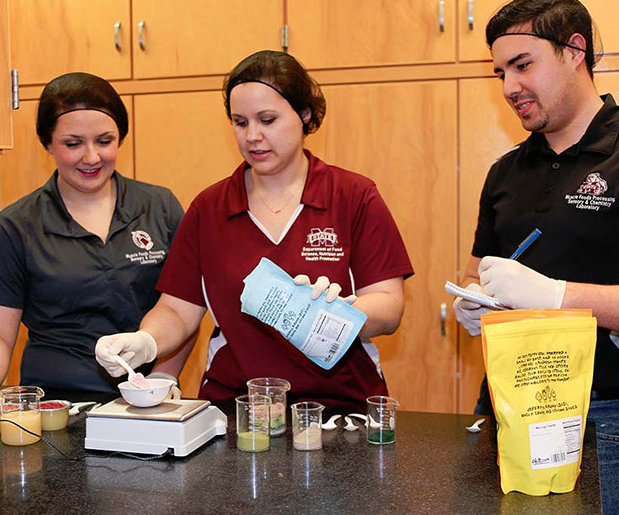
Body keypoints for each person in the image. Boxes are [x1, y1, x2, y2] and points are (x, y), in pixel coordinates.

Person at [452, 0, 619, 512]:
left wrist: (558, 296)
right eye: (500, 72)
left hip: (609, 419)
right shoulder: (505, 172)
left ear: (574, 51)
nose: (508, 87)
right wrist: (474, 302)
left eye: (523, 65)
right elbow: (479, 272)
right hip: (509, 401)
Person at [95, 50, 413, 412]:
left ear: (304, 114)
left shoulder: (353, 197)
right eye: (240, 122)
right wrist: (146, 341)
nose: (253, 136)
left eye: (267, 119)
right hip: (238, 408)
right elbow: (177, 310)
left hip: (339, 406)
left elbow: (389, 306)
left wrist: (337, 313)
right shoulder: (210, 208)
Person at [0, 72, 187, 434]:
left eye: (105, 140)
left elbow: (183, 308)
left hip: (147, 405)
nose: (91, 156)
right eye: (72, 143)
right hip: (54, 413)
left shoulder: (159, 207)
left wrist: (164, 376)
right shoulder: (17, 225)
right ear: (47, 144)